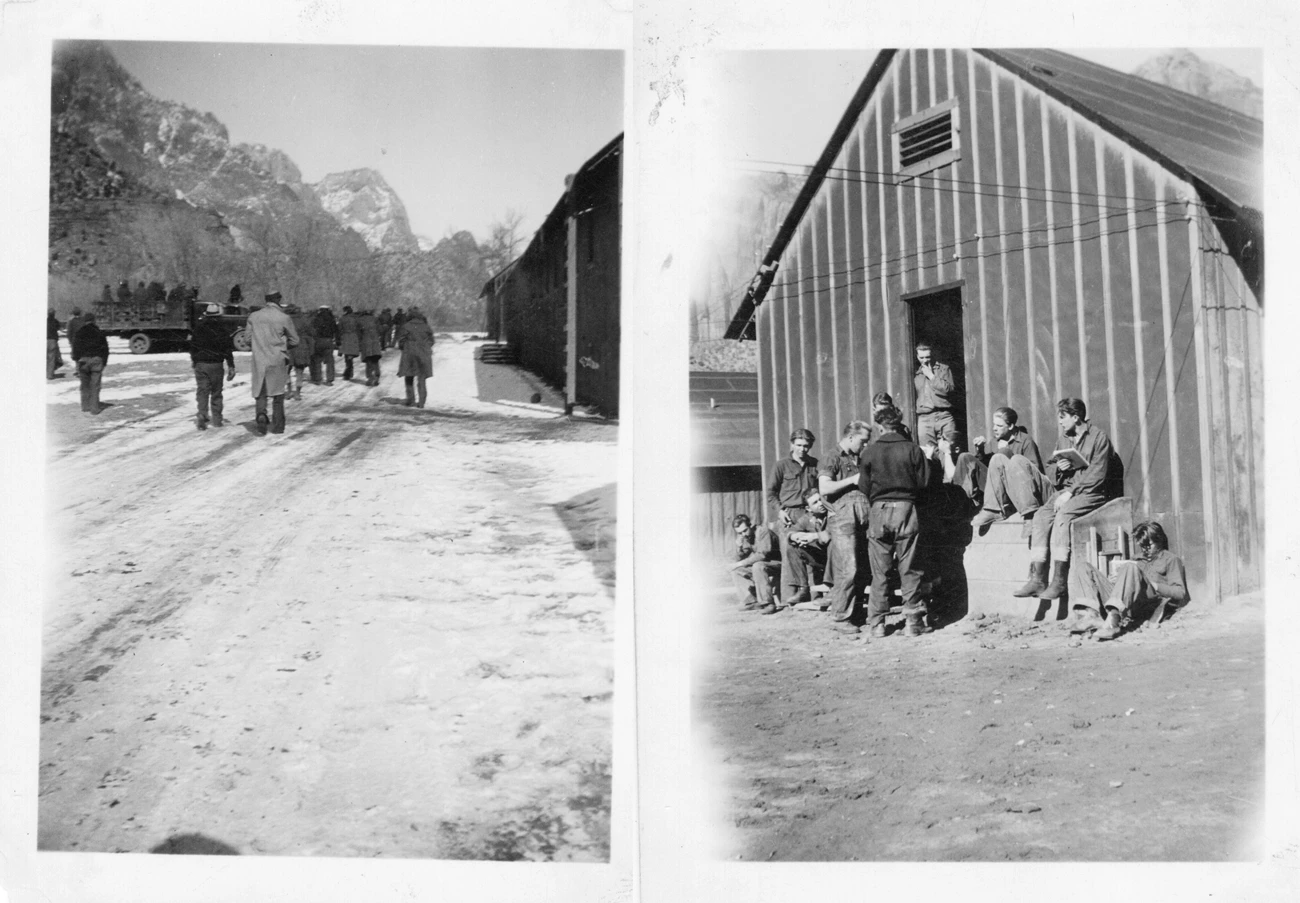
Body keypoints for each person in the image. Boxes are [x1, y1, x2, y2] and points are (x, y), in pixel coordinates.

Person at [1014, 397, 1116, 600]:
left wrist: (1071, 492)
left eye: (1063, 417)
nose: (1060, 422)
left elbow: (1098, 474)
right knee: (1042, 515)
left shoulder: (1099, 438)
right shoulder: (1064, 439)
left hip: (1092, 493)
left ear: (1076, 417)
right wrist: (1060, 469)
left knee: (1063, 515)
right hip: (1068, 491)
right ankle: (1038, 578)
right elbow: (1051, 468)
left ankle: (1059, 581)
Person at [859, 404, 930, 637]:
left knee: (879, 572)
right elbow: (924, 483)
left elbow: (863, 486)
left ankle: (877, 624)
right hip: (906, 510)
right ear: (898, 424)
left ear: (879, 426)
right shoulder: (912, 449)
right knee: (909, 569)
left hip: (878, 512)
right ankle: (913, 624)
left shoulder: (869, 452)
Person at [816, 420, 873, 633]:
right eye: (863, 441)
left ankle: (856, 613)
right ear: (850, 437)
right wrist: (852, 480)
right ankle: (841, 618)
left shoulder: (859, 458)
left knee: (863, 568)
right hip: (842, 518)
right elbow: (824, 488)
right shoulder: (832, 456)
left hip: (862, 516)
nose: (865, 446)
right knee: (847, 568)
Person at [1091, 521, 1190, 640]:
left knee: (1130, 567)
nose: (1145, 550)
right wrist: (1115, 580)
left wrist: (1156, 586)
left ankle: (1113, 622)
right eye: (1142, 546)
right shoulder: (1136, 558)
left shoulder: (1171, 560)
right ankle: (1089, 616)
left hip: (1148, 601)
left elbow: (1180, 592)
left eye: (1149, 545)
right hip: (1127, 602)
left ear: (1159, 540)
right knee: (1085, 568)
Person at [966, 406, 1048, 526]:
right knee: (965, 458)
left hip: (1019, 490)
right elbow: (988, 470)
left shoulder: (1026, 441)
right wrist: (980, 451)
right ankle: (972, 506)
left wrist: (1005, 452)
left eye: (999, 426)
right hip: (995, 489)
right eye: (994, 425)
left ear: (1010, 426)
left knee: (1003, 454)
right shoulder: (994, 441)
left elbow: (1034, 470)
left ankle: (996, 509)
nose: (994, 429)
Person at [246, 291, 300, 435]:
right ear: (278, 300)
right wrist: (283, 346)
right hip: (277, 359)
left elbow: (246, 339)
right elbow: (295, 340)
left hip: (259, 359)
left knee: (261, 391)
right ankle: (278, 426)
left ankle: (261, 415)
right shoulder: (284, 317)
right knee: (278, 394)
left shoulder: (254, 316)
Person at [778, 489, 830, 612]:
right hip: (822, 558)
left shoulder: (832, 513)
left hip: (837, 558)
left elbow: (834, 533)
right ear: (808, 508)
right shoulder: (807, 518)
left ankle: (832, 591)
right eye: (815, 503)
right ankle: (803, 588)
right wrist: (794, 536)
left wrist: (814, 536)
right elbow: (791, 531)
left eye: (820, 500)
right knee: (792, 546)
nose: (820, 504)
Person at [188, 306, 236, 430]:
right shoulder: (223, 330)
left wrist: (194, 361)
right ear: (218, 315)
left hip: (201, 364)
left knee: (202, 391)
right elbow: (228, 349)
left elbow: (192, 347)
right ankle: (217, 419)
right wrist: (231, 365)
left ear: (206, 315)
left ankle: (202, 414)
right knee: (216, 393)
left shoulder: (198, 329)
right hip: (216, 365)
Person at [729, 514, 782, 612]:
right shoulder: (746, 536)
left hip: (778, 564)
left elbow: (762, 555)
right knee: (736, 570)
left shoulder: (762, 531)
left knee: (757, 565)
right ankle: (751, 602)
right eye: (740, 533)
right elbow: (740, 557)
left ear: (751, 525)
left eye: (745, 530)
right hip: (763, 565)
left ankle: (768, 603)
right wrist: (739, 547)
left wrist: (740, 563)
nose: (743, 534)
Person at [913, 342, 959, 447]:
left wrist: (931, 376)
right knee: (928, 454)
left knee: (949, 451)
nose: (925, 360)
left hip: (944, 416)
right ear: (917, 357)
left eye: (928, 357)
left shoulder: (943, 369)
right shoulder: (915, 373)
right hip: (925, 418)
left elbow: (949, 389)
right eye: (922, 357)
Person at [71, 311, 109, 413]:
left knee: (84, 385)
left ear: (84, 321)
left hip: (83, 361)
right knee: (95, 385)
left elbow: (75, 349)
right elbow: (105, 349)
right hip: (96, 360)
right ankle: (94, 408)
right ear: (94, 320)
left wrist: (76, 360)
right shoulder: (99, 332)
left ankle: (85, 406)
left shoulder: (79, 332)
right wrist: (104, 362)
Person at [396, 308, 435, 406]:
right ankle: (422, 401)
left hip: (409, 353)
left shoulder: (406, 326)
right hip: (423, 354)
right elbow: (432, 341)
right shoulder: (426, 327)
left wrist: (405, 347)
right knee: (421, 377)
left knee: (409, 376)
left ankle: (410, 399)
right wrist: (425, 347)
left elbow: (401, 340)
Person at [286, 304, 316, 400]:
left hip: (287, 346)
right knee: (299, 371)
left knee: (286, 370)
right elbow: (312, 333)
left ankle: (289, 391)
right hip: (301, 346)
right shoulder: (304, 320)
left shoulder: (284, 320)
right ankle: (298, 393)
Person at [311, 305, 338, 385]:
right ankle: (329, 379)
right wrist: (337, 340)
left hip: (318, 341)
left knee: (317, 360)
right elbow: (336, 330)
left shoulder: (316, 319)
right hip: (329, 341)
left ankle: (318, 379)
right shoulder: (331, 319)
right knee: (330, 361)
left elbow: (312, 330)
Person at [358, 309, 383, 386]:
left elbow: (358, 333)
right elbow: (380, 330)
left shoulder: (360, 320)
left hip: (366, 342)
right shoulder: (375, 319)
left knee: (368, 360)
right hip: (375, 342)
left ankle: (370, 378)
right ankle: (377, 376)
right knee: (375, 360)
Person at [338, 305, 361, 380]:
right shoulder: (356, 318)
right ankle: (349, 370)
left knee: (347, 354)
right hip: (354, 337)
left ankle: (348, 371)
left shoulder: (342, 318)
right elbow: (359, 328)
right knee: (351, 354)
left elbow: (339, 329)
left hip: (346, 337)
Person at [47, 309, 63, 379]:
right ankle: (50, 374)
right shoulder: (55, 321)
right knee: (51, 358)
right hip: (52, 340)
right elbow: (58, 328)